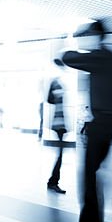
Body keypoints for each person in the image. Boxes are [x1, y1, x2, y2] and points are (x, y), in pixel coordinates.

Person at [60, 20, 112, 222]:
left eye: (87, 36)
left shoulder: (99, 58)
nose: (84, 40)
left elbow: (68, 57)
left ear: (96, 36)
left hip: (100, 126)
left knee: (89, 182)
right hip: (110, 125)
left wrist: (72, 43)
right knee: (94, 180)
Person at [45, 64, 68, 194]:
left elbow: (51, 101)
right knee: (60, 155)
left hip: (59, 124)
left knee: (60, 155)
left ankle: (53, 182)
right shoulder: (57, 83)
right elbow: (53, 100)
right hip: (59, 124)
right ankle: (53, 182)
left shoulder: (57, 84)